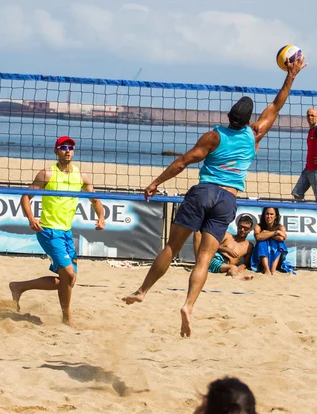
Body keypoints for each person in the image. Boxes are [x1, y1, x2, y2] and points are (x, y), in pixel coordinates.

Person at [122, 55, 306, 337]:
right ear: (247, 121)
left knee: (172, 248)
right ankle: (188, 306)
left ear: (228, 116)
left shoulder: (213, 136)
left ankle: (143, 291)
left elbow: (182, 162)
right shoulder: (254, 134)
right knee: (205, 258)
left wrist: (156, 182)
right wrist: (291, 76)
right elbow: (276, 105)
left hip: (204, 192)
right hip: (227, 200)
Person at [9, 136, 105, 327]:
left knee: (68, 280)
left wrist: (101, 217)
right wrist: (31, 218)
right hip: (48, 230)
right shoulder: (47, 174)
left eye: (70, 147)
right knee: (68, 275)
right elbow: (25, 197)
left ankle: (19, 286)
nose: (67, 150)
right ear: (56, 151)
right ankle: (67, 319)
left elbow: (94, 200)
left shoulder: (82, 176)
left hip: (66, 232)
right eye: (63, 147)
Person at [204, 214, 255, 280]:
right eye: (240, 227)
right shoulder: (228, 236)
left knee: (233, 268)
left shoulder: (249, 246)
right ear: (237, 226)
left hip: (227, 266)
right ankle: (236, 277)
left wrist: (243, 266)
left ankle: (235, 275)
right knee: (233, 268)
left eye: (245, 228)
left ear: (249, 230)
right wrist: (225, 249)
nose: (242, 230)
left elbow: (246, 263)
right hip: (216, 260)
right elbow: (211, 247)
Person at [250, 207, 294, 275]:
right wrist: (275, 232)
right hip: (261, 258)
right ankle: (266, 269)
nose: (269, 216)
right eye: (267, 214)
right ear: (264, 215)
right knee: (262, 242)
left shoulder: (280, 227)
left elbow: (282, 238)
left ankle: (273, 269)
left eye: (271, 214)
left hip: (275, 254)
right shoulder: (258, 226)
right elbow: (258, 237)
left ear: (276, 216)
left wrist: (266, 233)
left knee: (280, 243)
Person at [291, 108, 317, 200]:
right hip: (308, 168)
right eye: (308, 115)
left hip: (315, 170)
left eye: (312, 115)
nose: (310, 117)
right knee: (297, 193)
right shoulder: (311, 131)